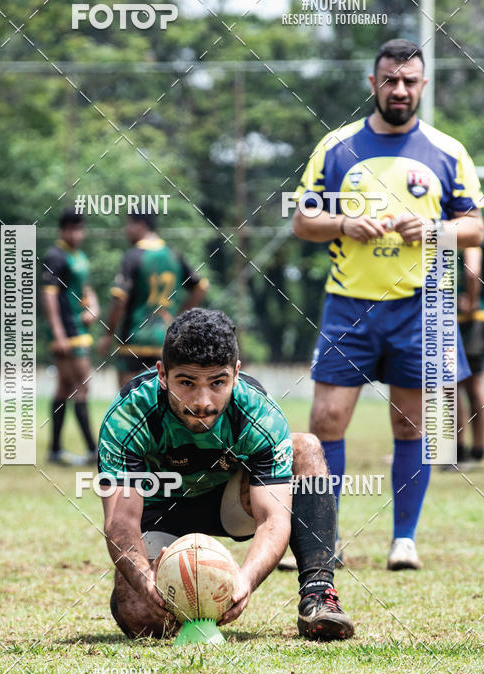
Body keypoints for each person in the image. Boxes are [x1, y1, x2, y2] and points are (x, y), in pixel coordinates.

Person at [291, 38, 484, 570]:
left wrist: (434, 228)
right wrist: (344, 223)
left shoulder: (448, 151)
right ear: (372, 83)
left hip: (420, 306)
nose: (399, 89)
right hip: (348, 305)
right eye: (389, 79)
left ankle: (404, 540)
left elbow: (473, 229)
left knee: (412, 426)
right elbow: (303, 221)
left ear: (423, 85)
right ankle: (322, 540)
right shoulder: (336, 147)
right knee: (326, 420)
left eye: (409, 80)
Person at [98, 308, 355, 641]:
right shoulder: (129, 415)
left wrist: (245, 581)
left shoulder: (258, 412)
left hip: (229, 506)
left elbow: (273, 519)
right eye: (186, 383)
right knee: (142, 618)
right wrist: (146, 581)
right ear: (162, 374)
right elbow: (121, 523)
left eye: (217, 382)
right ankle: (170, 594)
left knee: (305, 448)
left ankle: (319, 596)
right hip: (158, 514)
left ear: (236, 373)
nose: (202, 401)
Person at [98, 213, 207, 388]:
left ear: (140, 225)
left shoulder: (133, 256)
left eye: (128, 225)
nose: (126, 231)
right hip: (165, 340)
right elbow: (200, 287)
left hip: (134, 339)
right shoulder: (174, 255)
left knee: (130, 403)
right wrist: (179, 318)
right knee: (162, 399)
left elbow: (119, 300)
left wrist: (107, 334)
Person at [41, 207, 100, 465]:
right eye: (72, 229)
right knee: (83, 387)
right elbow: (50, 295)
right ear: (62, 230)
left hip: (80, 329)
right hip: (68, 333)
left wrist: (94, 307)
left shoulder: (80, 256)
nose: (77, 234)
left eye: (80, 229)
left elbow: (86, 288)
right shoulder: (55, 256)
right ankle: (93, 450)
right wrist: (58, 333)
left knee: (65, 388)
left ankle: (55, 450)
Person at [456, 223, 484, 465]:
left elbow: (473, 271)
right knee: (475, 386)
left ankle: (459, 450)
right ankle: (478, 449)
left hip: (468, 319)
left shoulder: (468, 229)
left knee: (454, 386)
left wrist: (472, 302)